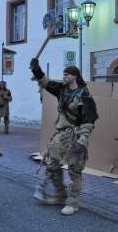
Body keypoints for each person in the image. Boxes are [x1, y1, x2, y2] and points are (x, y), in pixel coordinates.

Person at [30, 59, 98, 216]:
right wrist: (36, 69)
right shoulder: (61, 90)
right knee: (52, 166)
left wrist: (83, 140)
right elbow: (46, 83)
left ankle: (72, 203)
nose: (64, 76)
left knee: (74, 171)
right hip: (60, 136)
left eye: (66, 74)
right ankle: (60, 194)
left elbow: (89, 120)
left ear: (74, 76)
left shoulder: (85, 95)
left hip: (75, 136)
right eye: (63, 74)